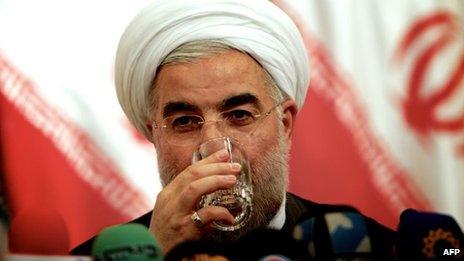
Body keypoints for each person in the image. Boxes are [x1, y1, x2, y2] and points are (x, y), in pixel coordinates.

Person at [72, 0, 395, 257]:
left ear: (284, 124)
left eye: (239, 115)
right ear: (155, 135)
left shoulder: (367, 248)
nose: (215, 147)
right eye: (184, 122)